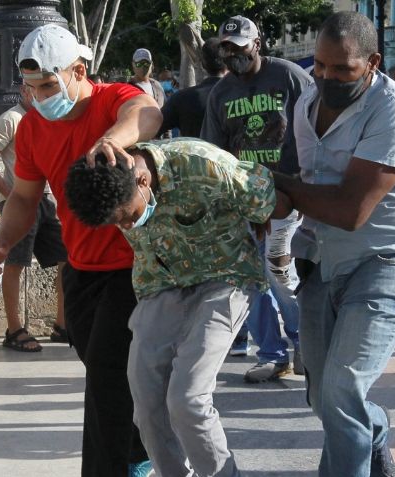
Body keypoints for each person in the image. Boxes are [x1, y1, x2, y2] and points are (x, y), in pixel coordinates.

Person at [0, 24, 161, 477]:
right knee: (106, 372)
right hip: (80, 270)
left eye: (47, 85)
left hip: (133, 268)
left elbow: (148, 112)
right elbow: (23, 197)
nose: (39, 97)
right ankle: (141, 452)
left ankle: (119, 467)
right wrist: (3, 240)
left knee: (105, 377)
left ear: (78, 71)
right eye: (31, 88)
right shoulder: (34, 128)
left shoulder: (111, 99)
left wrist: (111, 140)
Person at [273, 12, 395, 476]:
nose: (327, 77)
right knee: (325, 399)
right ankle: (374, 429)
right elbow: (301, 190)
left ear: (373, 62)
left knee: (343, 389)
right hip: (321, 261)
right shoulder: (305, 105)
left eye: (342, 69)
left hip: (387, 259)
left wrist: (271, 185)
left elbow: (350, 209)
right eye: (320, 66)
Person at [65, 138, 277, 477]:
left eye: (128, 217)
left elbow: (267, 199)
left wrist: (278, 254)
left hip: (225, 278)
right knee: (145, 400)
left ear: (143, 181)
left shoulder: (201, 164)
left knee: (187, 399)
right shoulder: (113, 188)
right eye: (117, 224)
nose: (127, 227)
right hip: (161, 284)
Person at [202, 15, 313, 383]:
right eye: (226, 48)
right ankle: (272, 353)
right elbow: (215, 151)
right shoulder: (221, 93)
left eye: (239, 47)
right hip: (243, 199)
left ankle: (305, 343)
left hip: (288, 194)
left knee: (278, 270)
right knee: (251, 278)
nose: (233, 54)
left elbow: (318, 120)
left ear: (257, 45)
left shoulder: (288, 76)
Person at [0, 84, 68, 351]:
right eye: (35, 88)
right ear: (24, 90)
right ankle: (14, 328)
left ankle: (62, 324)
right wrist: (8, 192)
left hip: (47, 200)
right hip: (20, 200)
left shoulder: (49, 117)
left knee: (66, 258)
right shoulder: (12, 118)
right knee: (15, 263)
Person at [158, 37, 226, 138]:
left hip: (194, 153)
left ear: (203, 64)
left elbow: (153, 127)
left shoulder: (182, 98)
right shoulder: (241, 95)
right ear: (229, 62)